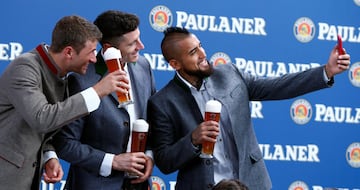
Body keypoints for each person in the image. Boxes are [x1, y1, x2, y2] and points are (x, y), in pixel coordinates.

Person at [147, 27, 351, 189]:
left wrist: (326, 71)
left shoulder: (229, 73)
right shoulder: (163, 102)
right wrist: (193, 140)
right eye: (193, 52)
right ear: (175, 64)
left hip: (250, 184)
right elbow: (165, 161)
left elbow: (276, 87)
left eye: (200, 46)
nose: (203, 54)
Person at [0, 15, 126, 190]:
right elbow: (41, 118)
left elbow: (40, 128)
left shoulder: (60, 74)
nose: (94, 60)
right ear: (68, 52)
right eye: (90, 52)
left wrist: (49, 155)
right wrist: (97, 91)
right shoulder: (25, 68)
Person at [53, 10, 156, 190]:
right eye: (132, 43)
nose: (141, 46)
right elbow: (65, 143)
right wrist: (113, 161)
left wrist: (149, 155)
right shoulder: (81, 80)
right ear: (109, 48)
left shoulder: (143, 65)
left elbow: (153, 120)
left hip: (138, 183)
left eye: (139, 38)